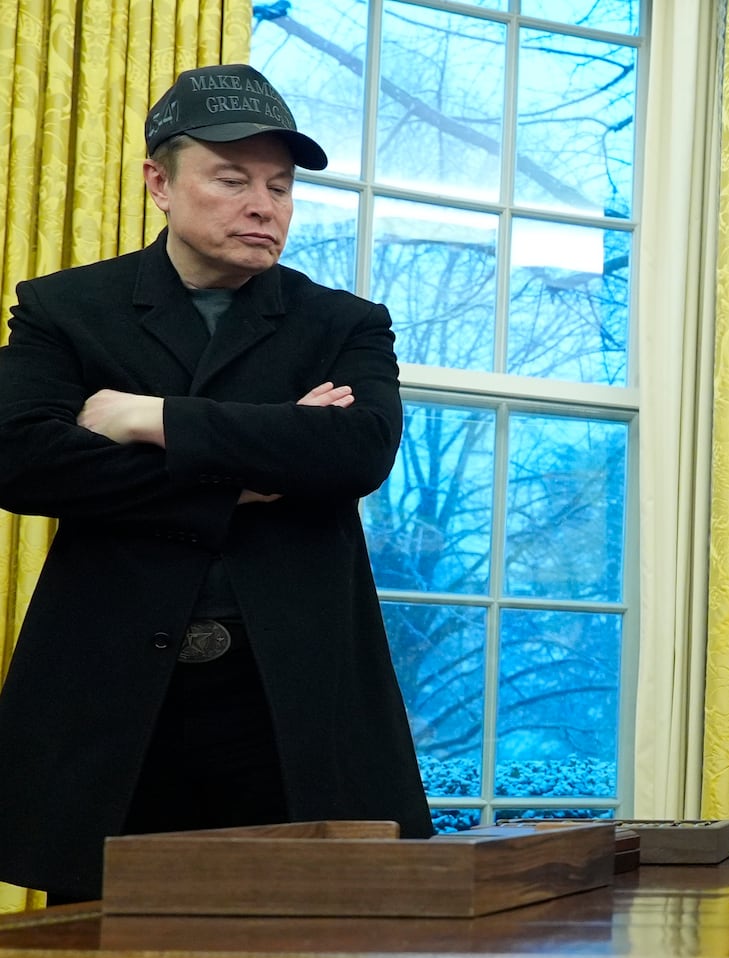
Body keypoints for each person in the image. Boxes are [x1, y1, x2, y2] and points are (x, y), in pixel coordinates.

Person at [0, 64, 432, 903]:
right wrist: (249, 473)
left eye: (280, 185)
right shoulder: (64, 309)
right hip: (115, 701)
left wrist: (149, 416)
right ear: (160, 182)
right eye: (233, 179)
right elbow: (20, 458)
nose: (263, 205)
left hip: (292, 696)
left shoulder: (342, 321)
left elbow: (357, 452)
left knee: (311, 954)